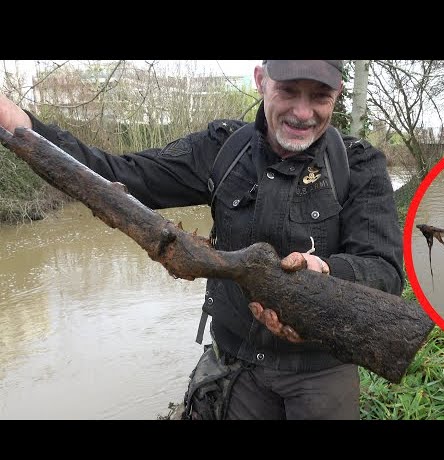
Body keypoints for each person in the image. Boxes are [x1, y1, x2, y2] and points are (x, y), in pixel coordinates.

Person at [0, 60, 404, 420]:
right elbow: (115, 174)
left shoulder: (359, 164)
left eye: (319, 96)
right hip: (236, 366)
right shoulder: (221, 149)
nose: (302, 112)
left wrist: (326, 272)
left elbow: (384, 271)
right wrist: (22, 126)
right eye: (288, 91)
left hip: (321, 372)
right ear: (261, 81)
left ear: (336, 96)